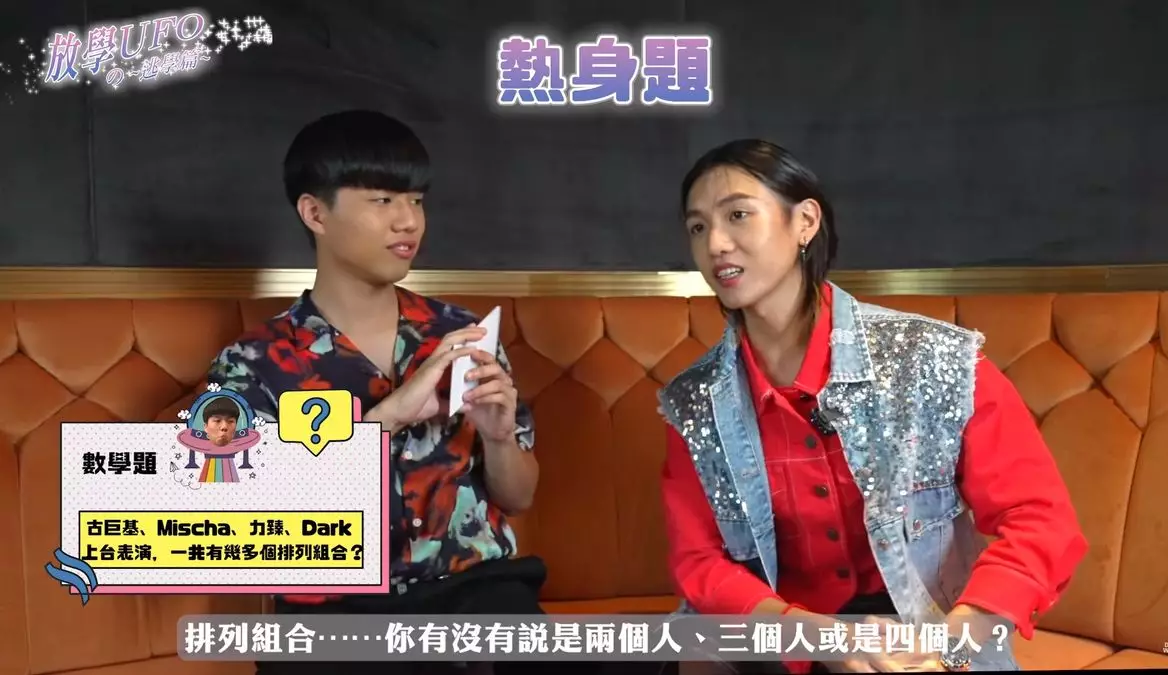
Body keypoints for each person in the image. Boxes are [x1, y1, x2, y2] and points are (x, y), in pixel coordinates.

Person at [658, 139, 1089, 674]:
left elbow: (1039, 520)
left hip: (927, 635)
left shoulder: (934, 359)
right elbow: (699, 561)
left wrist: (953, 640)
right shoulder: (695, 400)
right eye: (697, 227)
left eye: (738, 215)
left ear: (805, 222)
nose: (716, 243)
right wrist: (822, 639)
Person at [207, 110, 572, 675]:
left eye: (416, 200)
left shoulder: (462, 335)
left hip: (476, 596)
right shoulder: (254, 363)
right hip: (333, 620)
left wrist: (500, 438)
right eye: (382, 200)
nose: (409, 221)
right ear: (315, 213)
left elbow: (519, 496)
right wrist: (388, 418)